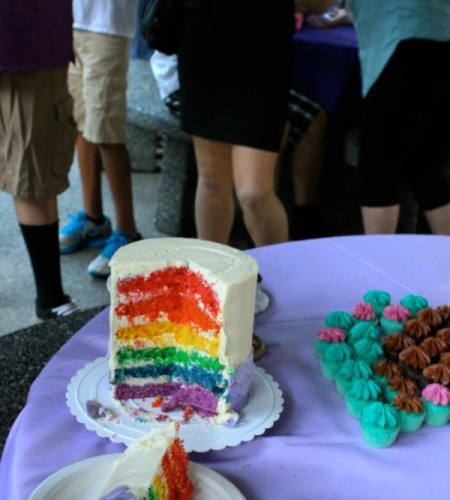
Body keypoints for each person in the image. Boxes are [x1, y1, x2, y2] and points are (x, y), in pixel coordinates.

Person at [178, 0, 334, 247]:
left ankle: (280, 280)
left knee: (254, 193)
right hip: (204, 39)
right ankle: (211, 278)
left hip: (264, 49)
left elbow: (322, 4)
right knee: (212, 180)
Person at [0, 2, 78, 320]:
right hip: (27, 40)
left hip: (27, 40)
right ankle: (51, 300)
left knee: (34, 172)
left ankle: (50, 298)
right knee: (33, 171)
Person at [350, 0, 450, 235]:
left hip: (401, 41)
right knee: (424, 167)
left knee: (377, 172)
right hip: (441, 39)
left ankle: (379, 267)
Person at [59, 0, 142, 278]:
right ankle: (93, 218)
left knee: (106, 130)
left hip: (108, 26)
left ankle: (127, 231)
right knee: (82, 124)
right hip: (71, 20)